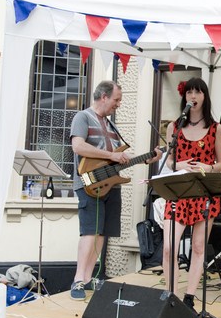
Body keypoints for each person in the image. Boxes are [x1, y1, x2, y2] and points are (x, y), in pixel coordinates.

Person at [70, 80, 163, 300]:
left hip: (110, 185)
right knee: (90, 231)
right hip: (89, 184)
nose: (118, 104)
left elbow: (116, 159)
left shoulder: (112, 126)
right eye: (116, 99)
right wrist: (112, 155)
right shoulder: (83, 117)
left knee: (102, 233)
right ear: (104, 97)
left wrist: (146, 159)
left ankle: (88, 278)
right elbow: (78, 146)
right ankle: (78, 280)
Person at [161, 77, 221, 312]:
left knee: (198, 247)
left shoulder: (216, 128)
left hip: (203, 193)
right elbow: (169, 160)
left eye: (198, 92)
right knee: (169, 246)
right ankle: (170, 294)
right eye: (189, 92)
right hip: (178, 192)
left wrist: (208, 167)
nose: (193, 96)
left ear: (205, 97)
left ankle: (189, 297)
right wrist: (178, 165)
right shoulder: (174, 127)